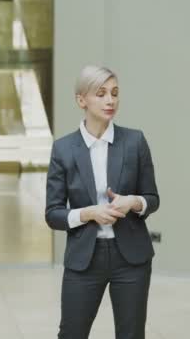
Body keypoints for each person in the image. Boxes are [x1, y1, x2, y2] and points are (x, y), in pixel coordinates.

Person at [45, 65, 159, 339]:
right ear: (81, 100)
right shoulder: (63, 148)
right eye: (101, 93)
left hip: (131, 257)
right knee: (71, 333)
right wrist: (88, 213)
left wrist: (133, 202)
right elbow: (53, 213)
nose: (110, 100)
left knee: (131, 334)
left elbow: (152, 198)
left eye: (115, 93)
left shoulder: (135, 141)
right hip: (85, 257)